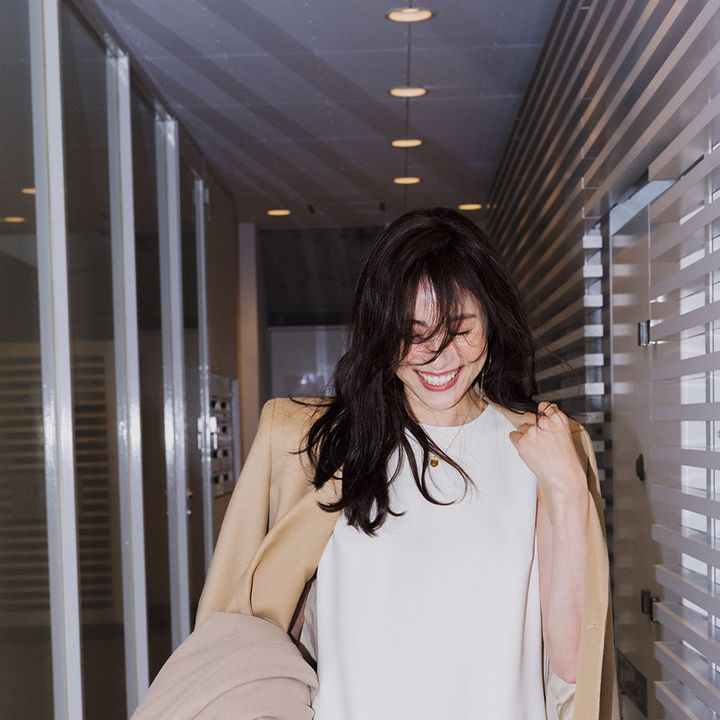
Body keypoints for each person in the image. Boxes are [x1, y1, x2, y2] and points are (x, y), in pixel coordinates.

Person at [133, 207, 619, 720]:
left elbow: (574, 665)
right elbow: (236, 630)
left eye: (460, 329)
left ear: (492, 320)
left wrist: (568, 489)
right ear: (380, 331)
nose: (438, 356)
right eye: (412, 332)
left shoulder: (544, 448)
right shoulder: (313, 444)